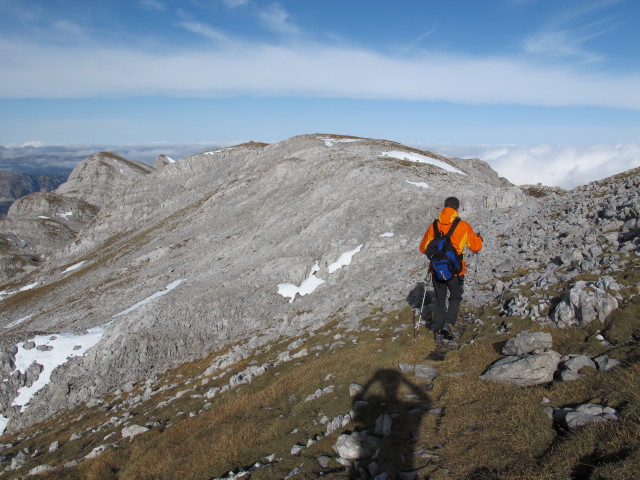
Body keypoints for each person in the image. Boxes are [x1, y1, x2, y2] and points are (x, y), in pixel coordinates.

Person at [419, 197, 482, 343]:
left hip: (436, 270)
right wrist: (479, 239)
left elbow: (423, 248)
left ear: (444, 207)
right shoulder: (463, 226)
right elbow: (476, 246)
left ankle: (438, 333)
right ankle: (448, 324)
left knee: (440, 300)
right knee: (455, 297)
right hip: (456, 271)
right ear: (457, 209)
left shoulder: (433, 226)